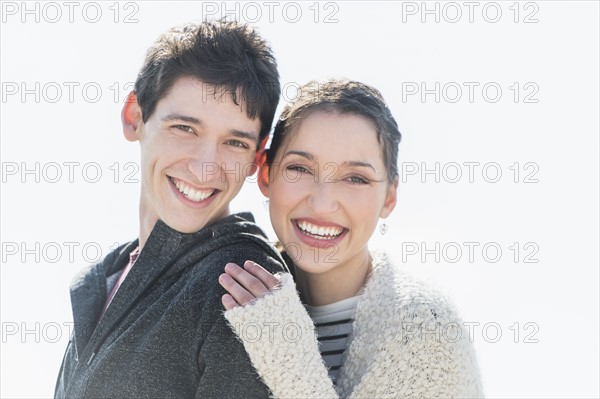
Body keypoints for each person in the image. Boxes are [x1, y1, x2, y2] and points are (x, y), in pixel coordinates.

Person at [54, 20, 287, 398]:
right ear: (135, 117)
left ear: (256, 158)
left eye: (234, 143)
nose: (204, 167)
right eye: (185, 128)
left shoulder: (241, 286)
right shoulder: (108, 277)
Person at [218, 79, 484, 398]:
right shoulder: (233, 298)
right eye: (300, 168)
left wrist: (286, 357)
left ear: (389, 197)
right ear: (266, 175)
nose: (322, 203)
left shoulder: (426, 328)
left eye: (355, 178)